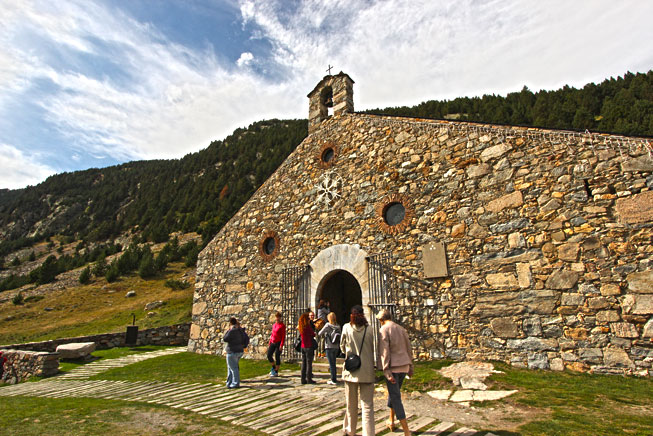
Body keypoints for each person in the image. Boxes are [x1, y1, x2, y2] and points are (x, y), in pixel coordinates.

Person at [377, 309, 414, 435]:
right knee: (394, 394)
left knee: (396, 397)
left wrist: (386, 370)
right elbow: (408, 347)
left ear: (382, 320)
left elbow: (385, 352)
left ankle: (406, 431)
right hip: (404, 366)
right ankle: (391, 420)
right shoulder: (401, 328)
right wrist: (411, 366)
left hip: (393, 368)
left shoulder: (384, 329)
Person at [340, 305, 375, 436]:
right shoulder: (370, 329)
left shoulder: (346, 328)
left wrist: (349, 354)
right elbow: (372, 347)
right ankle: (369, 433)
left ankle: (350, 431)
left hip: (351, 371)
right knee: (367, 406)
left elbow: (342, 347)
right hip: (367, 371)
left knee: (351, 404)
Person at [223, 317, 249, 388]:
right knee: (231, 367)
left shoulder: (232, 331)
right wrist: (244, 346)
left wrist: (229, 330)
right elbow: (245, 338)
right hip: (239, 351)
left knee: (233, 368)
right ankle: (229, 382)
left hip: (232, 351)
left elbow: (225, 338)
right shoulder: (240, 330)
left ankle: (235, 383)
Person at [318, 311, 341, 385]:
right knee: (333, 363)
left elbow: (319, 333)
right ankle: (334, 377)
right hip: (336, 347)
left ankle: (333, 379)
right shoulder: (338, 326)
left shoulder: (327, 325)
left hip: (329, 346)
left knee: (331, 364)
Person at [298, 312, 316, 384]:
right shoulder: (307, 326)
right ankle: (309, 378)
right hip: (309, 346)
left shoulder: (301, 327)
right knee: (309, 363)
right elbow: (313, 334)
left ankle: (303, 379)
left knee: (304, 363)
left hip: (303, 346)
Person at [267, 311, 286, 377]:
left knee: (277, 356)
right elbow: (272, 334)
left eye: (278, 317)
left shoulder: (282, 326)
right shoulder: (274, 325)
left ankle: (276, 371)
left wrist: (281, 345)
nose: (277, 318)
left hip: (278, 342)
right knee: (269, 355)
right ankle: (273, 367)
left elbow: (283, 336)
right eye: (276, 317)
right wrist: (270, 342)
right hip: (273, 341)